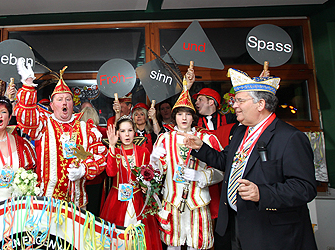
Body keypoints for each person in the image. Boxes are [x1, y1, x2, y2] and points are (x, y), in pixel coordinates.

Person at [179, 68, 317, 250]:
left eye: (240, 100)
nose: (234, 105)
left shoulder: (289, 137)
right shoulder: (240, 131)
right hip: (235, 225)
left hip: (270, 233)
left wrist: (262, 193)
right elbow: (225, 161)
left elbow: (304, 188)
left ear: (260, 104)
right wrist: (200, 148)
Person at [14, 60, 107, 208]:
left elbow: (100, 157)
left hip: (78, 203)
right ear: (52, 105)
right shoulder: (44, 124)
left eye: (68, 99)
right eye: (60, 99)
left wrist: (84, 169)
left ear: (72, 104)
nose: (64, 103)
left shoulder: (86, 128)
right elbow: (26, 119)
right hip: (47, 202)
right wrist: (28, 85)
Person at [151, 80, 223, 250]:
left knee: (196, 246)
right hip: (171, 202)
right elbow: (155, 174)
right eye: (180, 114)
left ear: (193, 117)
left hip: (198, 202)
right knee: (173, 246)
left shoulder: (207, 139)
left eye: (188, 114)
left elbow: (221, 169)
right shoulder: (164, 139)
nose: (184, 118)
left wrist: (202, 176)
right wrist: (154, 161)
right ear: (174, 116)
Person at [101, 116, 162, 250]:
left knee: (141, 238)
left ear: (135, 131)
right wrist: (111, 146)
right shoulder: (115, 152)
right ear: (117, 133)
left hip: (138, 199)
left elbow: (149, 174)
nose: (127, 134)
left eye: (129, 130)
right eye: (122, 131)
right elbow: (110, 173)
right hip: (117, 199)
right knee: (118, 239)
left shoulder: (143, 151)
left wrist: (147, 185)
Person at [0, 94, 36, 200]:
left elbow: (33, 170)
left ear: (9, 117)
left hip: (16, 206)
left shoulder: (23, 144)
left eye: (3, 112)